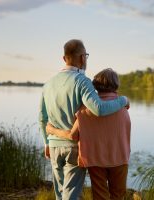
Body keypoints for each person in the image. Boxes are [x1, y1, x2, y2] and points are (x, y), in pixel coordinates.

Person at [39, 40, 129, 200]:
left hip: (53, 145)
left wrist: (46, 141)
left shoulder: (48, 84)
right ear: (82, 58)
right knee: (71, 195)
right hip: (73, 147)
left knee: (60, 194)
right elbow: (99, 109)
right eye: (86, 56)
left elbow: (42, 117)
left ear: (64, 58)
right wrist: (123, 100)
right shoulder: (82, 81)